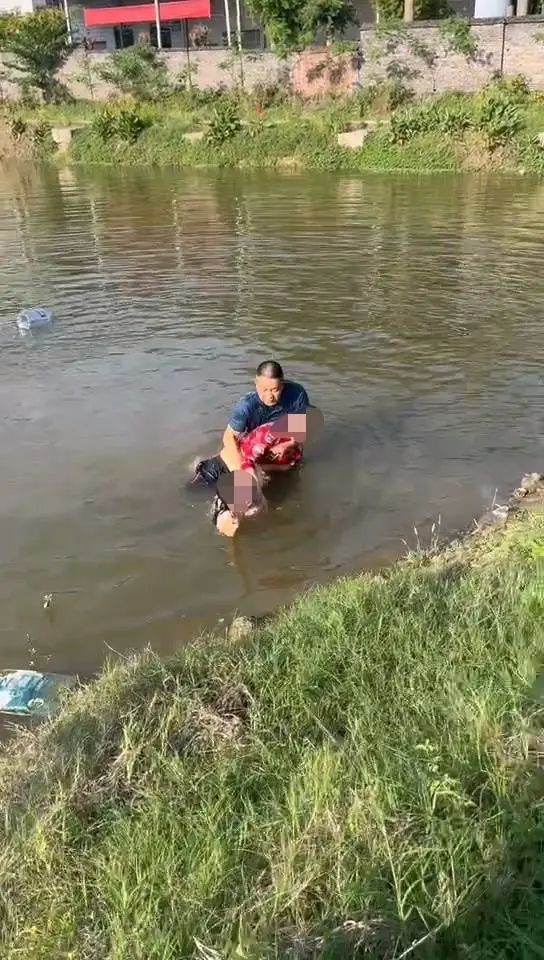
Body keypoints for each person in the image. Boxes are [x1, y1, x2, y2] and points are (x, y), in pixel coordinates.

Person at [192, 361, 311, 487]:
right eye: (264, 390)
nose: (269, 396)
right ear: (256, 383)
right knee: (201, 484)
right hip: (252, 449)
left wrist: (288, 444)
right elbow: (229, 437)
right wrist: (242, 470)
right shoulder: (247, 405)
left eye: (274, 390)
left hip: (281, 454)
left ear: (282, 384)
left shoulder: (297, 395)